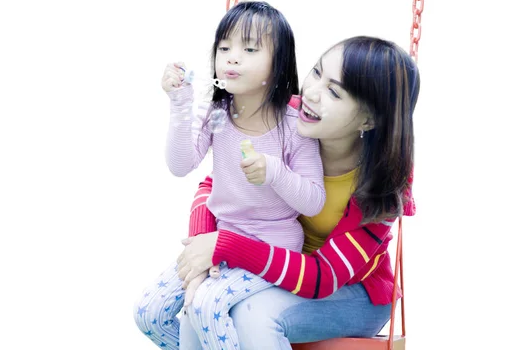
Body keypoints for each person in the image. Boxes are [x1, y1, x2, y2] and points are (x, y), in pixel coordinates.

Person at [177, 36, 420, 349]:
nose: (311, 94)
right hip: (278, 264)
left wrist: (226, 246)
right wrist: (202, 248)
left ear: (368, 119)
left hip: (353, 291)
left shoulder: (384, 180)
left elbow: (324, 276)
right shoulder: (284, 116)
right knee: (195, 305)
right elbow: (216, 185)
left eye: (334, 92)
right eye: (316, 73)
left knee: (252, 316)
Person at [133, 0, 326, 350]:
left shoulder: (293, 125)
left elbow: (314, 201)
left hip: (271, 245)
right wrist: (180, 103)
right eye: (225, 48)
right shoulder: (218, 113)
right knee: (150, 312)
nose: (232, 57)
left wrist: (274, 172)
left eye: (249, 49)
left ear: (278, 64)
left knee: (206, 306)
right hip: (221, 240)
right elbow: (181, 165)